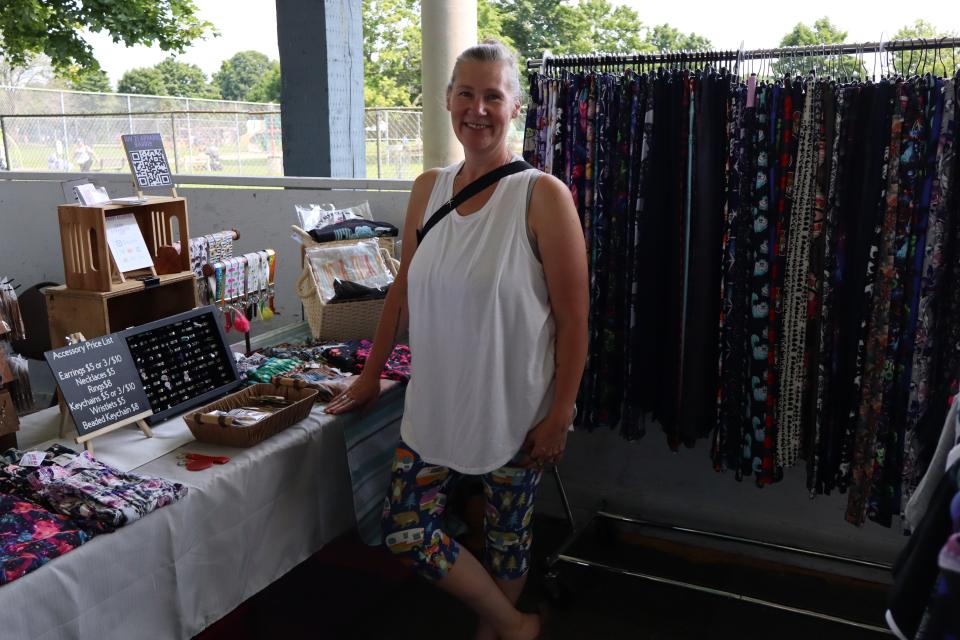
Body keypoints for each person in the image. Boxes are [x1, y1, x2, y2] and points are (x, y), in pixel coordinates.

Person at [325, 39, 588, 640]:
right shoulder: (428, 188)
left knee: (506, 536)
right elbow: (403, 290)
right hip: (436, 404)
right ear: (447, 101)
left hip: (514, 407)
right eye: (465, 94)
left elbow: (574, 321)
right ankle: (513, 625)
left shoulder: (542, 197)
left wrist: (560, 416)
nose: (478, 109)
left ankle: (489, 632)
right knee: (405, 525)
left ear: (515, 106)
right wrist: (371, 374)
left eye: (493, 95)